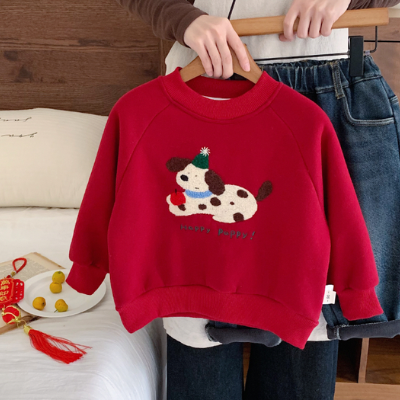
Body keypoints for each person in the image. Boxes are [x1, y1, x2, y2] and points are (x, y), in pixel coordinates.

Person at [115, 1, 400, 399]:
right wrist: (180, 17)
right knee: (201, 341)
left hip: (327, 86)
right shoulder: (140, 113)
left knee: (305, 337)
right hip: (204, 80)